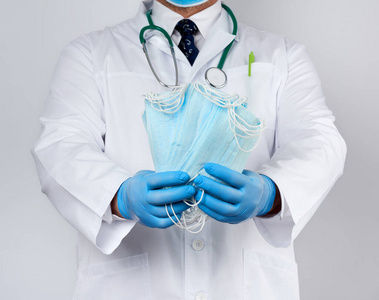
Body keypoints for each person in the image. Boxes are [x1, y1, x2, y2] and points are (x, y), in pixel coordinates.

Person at [32, 0, 347, 299]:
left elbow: (320, 141)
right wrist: (119, 196)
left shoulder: (283, 55)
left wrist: (271, 193)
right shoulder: (91, 54)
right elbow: (61, 145)